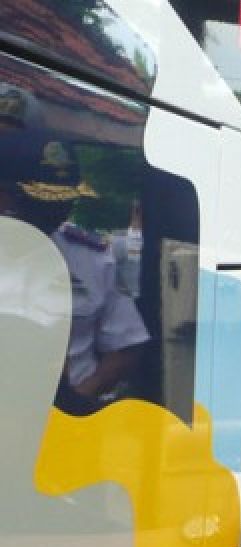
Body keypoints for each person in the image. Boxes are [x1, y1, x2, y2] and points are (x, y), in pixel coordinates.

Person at [0, 134, 149, 412]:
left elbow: (126, 347)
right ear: (5, 195)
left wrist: (78, 398)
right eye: (40, 202)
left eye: (65, 201)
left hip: (67, 413)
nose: (56, 212)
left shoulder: (93, 259)